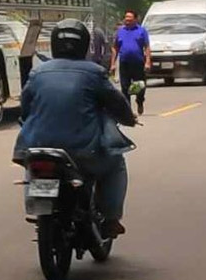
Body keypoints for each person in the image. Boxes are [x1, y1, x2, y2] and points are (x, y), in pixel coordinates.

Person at [13, 19, 137, 238]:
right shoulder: (94, 72)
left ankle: (36, 206)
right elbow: (117, 103)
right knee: (116, 164)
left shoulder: (38, 72)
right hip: (82, 151)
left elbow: (25, 110)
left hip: (36, 146)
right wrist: (129, 118)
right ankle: (110, 219)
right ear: (84, 44)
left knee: (33, 166)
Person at [110, 10, 151, 115]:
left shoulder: (141, 31)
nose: (127, 20)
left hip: (138, 63)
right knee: (125, 87)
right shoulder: (120, 31)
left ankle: (140, 101)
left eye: (130, 18)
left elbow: (146, 47)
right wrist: (113, 64)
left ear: (135, 19)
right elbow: (115, 47)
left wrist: (147, 62)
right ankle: (128, 110)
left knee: (140, 86)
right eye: (126, 18)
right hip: (124, 63)